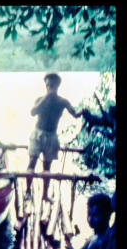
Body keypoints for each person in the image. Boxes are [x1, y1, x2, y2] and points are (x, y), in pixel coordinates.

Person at [26, 73, 84, 201]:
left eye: (52, 85)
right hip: (37, 134)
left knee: (47, 168)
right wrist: (46, 97)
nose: (49, 88)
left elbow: (75, 114)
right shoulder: (40, 99)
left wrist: (83, 111)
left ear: (58, 86)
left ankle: (45, 195)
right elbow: (32, 112)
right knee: (32, 163)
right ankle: (27, 192)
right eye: (48, 85)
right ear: (45, 86)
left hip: (51, 137)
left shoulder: (62, 101)